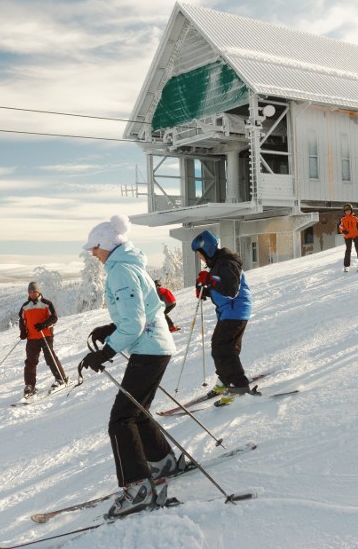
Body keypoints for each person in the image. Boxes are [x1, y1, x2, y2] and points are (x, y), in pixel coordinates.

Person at [81, 214, 181, 518]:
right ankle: (162, 462)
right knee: (136, 412)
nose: (93, 254)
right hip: (155, 347)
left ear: (107, 245)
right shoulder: (128, 266)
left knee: (121, 419)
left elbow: (136, 322)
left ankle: (137, 488)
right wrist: (110, 329)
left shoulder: (120, 271)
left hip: (149, 348)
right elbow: (142, 310)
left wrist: (106, 352)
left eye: (94, 249)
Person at [191, 230, 252, 405]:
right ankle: (226, 380)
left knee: (224, 349)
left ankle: (238, 387)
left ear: (207, 250)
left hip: (236, 310)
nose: (200, 258)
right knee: (220, 347)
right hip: (230, 311)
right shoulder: (219, 264)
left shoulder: (228, 263)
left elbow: (231, 289)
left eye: (200, 254)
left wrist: (210, 280)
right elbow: (221, 286)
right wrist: (206, 289)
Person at [18, 281, 67, 397]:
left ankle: (61, 379)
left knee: (50, 358)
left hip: (45, 336)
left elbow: (54, 318)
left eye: (34, 291)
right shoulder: (25, 306)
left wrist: (44, 325)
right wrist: (23, 332)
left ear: (39, 291)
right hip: (32, 338)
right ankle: (30, 386)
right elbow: (22, 319)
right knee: (30, 362)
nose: (32, 294)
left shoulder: (46, 304)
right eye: (30, 292)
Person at [337, 203, 358, 272]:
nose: (347, 212)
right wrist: (343, 231)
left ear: (351, 211)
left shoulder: (355, 219)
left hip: (355, 235)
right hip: (347, 236)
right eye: (346, 211)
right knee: (348, 250)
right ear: (344, 212)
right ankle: (346, 266)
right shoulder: (343, 219)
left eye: (349, 211)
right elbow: (340, 227)